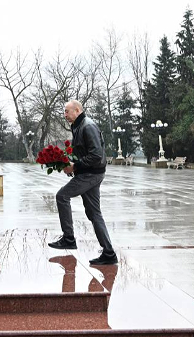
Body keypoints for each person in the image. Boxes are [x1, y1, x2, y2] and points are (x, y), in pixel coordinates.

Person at [48, 100, 117, 265]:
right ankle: (109, 253)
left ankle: (69, 239)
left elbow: (96, 155)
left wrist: (75, 166)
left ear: (77, 110)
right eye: (64, 112)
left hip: (91, 174)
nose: (65, 115)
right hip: (90, 173)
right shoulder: (78, 126)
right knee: (94, 214)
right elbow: (83, 152)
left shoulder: (88, 126)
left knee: (62, 196)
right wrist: (70, 165)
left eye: (67, 111)